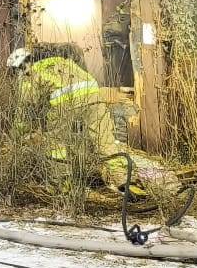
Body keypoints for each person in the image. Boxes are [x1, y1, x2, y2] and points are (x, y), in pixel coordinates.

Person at [9, 47, 155, 202]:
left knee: (57, 146)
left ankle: (64, 183)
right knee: (106, 144)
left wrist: (18, 135)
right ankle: (128, 182)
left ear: (19, 67)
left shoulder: (30, 74)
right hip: (94, 99)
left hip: (65, 105)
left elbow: (25, 108)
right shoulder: (63, 62)